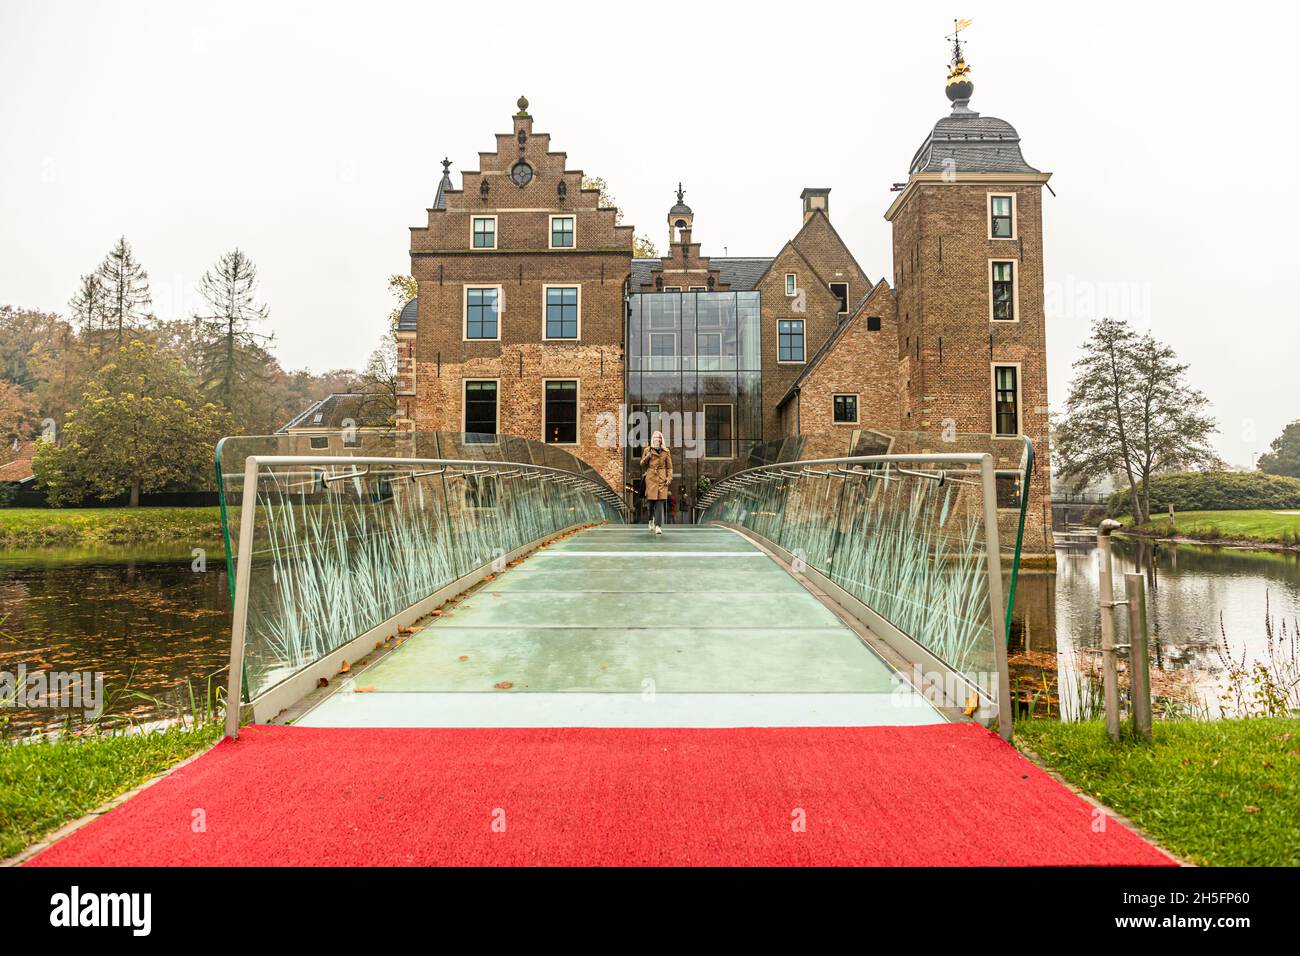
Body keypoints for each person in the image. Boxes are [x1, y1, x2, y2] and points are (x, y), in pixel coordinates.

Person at [640, 430, 673, 535]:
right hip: (650, 478)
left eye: (659, 437)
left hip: (662, 479)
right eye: (655, 437)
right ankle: (650, 520)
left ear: (661, 439)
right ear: (652, 439)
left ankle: (658, 526)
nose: (657, 439)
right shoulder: (647, 450)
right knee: (650, 504)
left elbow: (669, 467)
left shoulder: (666, 451)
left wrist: (669, 478)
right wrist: (647, 457)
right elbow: (641, 464)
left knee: (660, 503)